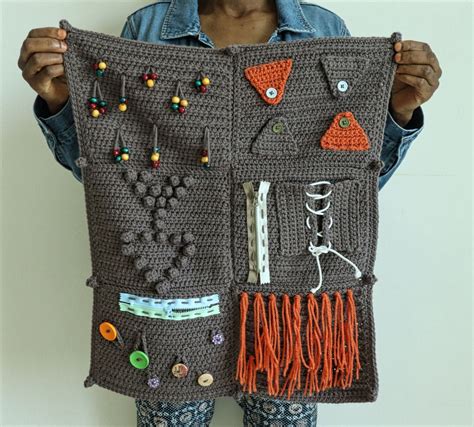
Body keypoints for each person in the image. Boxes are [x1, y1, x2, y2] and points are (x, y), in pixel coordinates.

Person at [18, 1, 442, 426]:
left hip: (290, 298)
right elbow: (113, 177)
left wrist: (398, 113)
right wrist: (59, 102)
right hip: (174, 294)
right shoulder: (148, 28)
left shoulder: (323, 29)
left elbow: (350, 183)